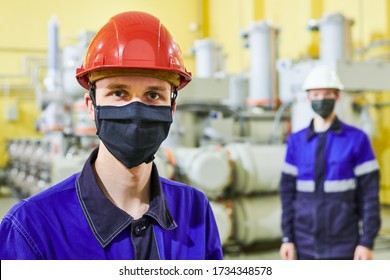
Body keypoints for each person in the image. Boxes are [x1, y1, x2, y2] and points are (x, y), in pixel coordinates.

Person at [0, 11, 223, 260]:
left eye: (153, 95)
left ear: (171, 108)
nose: (137, 111)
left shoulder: (193, 209)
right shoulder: (32, 227)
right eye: (119, 93)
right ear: (90, 106)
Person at [279, 64, 381, 260]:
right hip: (304, 243)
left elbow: (370, 196)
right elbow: (287, 194)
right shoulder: (296, 142)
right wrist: (287, 238)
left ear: (337, 97)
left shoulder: (357, 139)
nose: (321, 100)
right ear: (308, 98)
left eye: (327, 94)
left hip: (345, 245)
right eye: (316, 95)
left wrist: (367, 242)